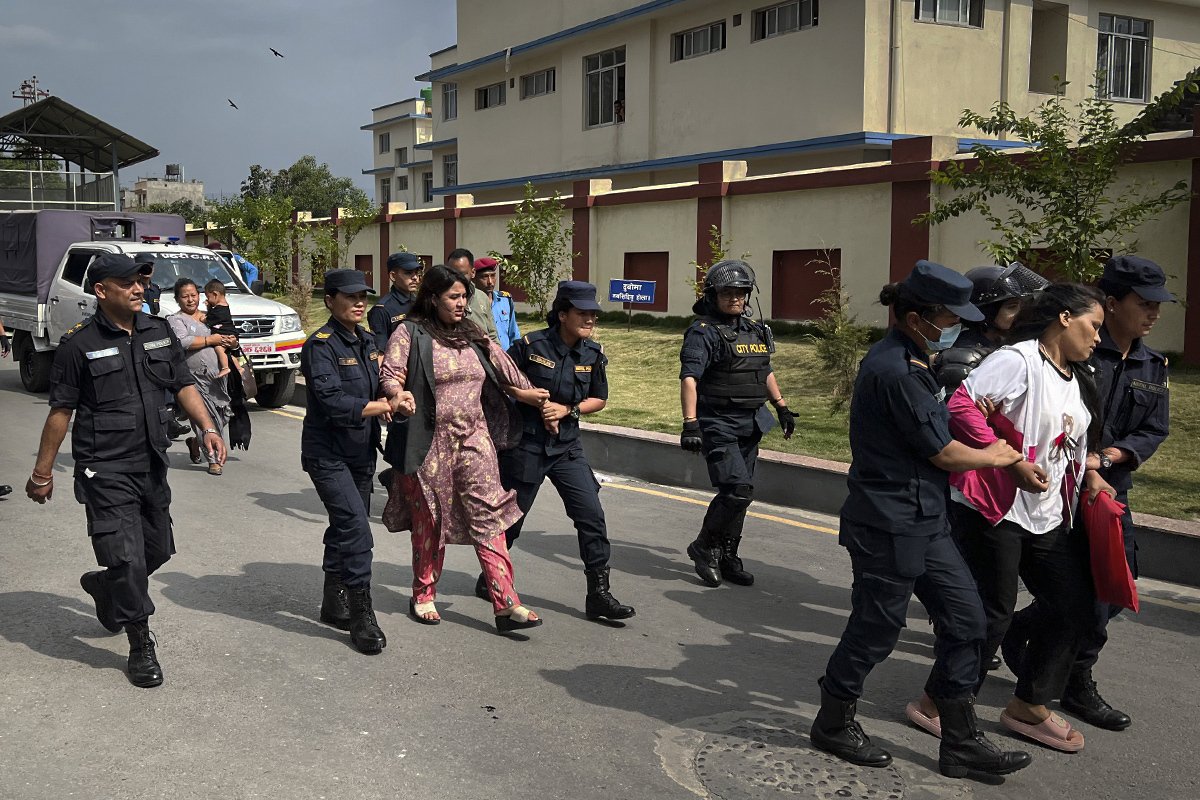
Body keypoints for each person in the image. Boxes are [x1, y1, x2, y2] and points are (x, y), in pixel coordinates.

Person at [812, 260, 1031, 779]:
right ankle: (833, 720)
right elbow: (945, 455)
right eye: (948, 316)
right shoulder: (894, 370)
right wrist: (1001, 456)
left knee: (969, 623)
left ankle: (959, 741)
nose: (955, 324)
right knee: (876, 628)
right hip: (888, 521)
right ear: (916, 317)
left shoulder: (917, 359)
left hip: (926, 518)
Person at [24, 253, 227, 688]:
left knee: (157, 550)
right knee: (127, 557)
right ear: (102, 291)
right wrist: (43, 472)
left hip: (153, 460)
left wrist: (206, 427)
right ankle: (140, 642)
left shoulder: (157, 331)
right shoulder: (77, 345)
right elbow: (61, 410)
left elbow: (183, 384)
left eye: (140, 281)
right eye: (128, 282)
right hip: (105, 467)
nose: (139, 289)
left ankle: (106, 585)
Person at [922, 283, 1109, 754]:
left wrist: (1089, 475)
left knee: (1074, 604)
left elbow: (1071, 441)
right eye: (1093, 326)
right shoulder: (1018, 360)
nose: (1097, 338)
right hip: (996, 508)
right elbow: (961, 405)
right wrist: (1008, 462)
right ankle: (937, 702)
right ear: (1064, 318)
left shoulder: (1077, 375)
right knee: (992, 613)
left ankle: (1028, 705)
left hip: (1048, 514)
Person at [1006, 256, 1173, 732]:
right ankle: (1075, 680)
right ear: (1111, 303)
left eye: (1158, 305)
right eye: (1144, 304)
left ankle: (1032, 629)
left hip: (1107, 492)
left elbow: (1154, 429)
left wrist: (1112, 457)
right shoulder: (1076, 352)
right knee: (1081, 593)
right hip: (1058, 488)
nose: (1154, 314)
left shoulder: (1151, 364)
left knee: (1116, 588)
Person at [379, 264, 549, 633]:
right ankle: (423, 593)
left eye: (464, 297)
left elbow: (504, 368)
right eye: (453, 297)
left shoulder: (472, 334)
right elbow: (391, 373)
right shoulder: (411, 332)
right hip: (429, 443)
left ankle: (507, 603)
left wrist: (530, 394)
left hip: (475, 439)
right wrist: (398, 395)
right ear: (433, 298)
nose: (461, 304)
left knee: (488, 514)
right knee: (431, 520)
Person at [493, 281, 635, 621]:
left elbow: (599, 398)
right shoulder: (531, 345)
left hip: (567, 447)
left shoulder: (593, 353)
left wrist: (567, 410)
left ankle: (599, 594)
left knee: (591, 515)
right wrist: (527, 398)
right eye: (582, 313)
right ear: (562, 314)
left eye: (593, 314)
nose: (589, 320)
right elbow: (501, 378)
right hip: (527, 444)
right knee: (513, 519)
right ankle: (494, 578)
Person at [678, 260, 796, 588]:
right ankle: (705, 546)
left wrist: (782, 407)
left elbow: (764, 370)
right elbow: (690, 378)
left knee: (743, 494)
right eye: (728, 292)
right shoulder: (702, 333)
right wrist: (690, 423)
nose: (735, 298)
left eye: (741, 292)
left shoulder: (755, 330)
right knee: (737, 489)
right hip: (718, 421)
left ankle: (729, 555)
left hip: (751, 421)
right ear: (713, 295)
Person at [301, 269, 393, 655]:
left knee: (343, 527)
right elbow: (333, 402)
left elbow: (383, 381)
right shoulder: (320, 346)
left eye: (364, 297)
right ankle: (361, 612)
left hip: (361, 452)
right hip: (328, 454)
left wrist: (394, 396)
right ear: (330, 300)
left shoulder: (368, 341)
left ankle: (331, 600)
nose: (360, 303)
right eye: (351, 296)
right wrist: (381, 406)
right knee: (357, 528)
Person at [936, 263, 1049, 393]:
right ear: (987, 311)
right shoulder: (964, 357)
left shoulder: (1009, 346)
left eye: (1021, 306)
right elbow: (957, 409)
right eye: (1011, 307)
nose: (1020, 313)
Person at [167, 279, 238, 475]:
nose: (190, 300)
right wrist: (210, 339)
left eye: (193, 295)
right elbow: (182, 342)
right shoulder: (175, 320)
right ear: (178, 299)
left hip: (219, 377)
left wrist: (232, 342)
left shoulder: (211, 316)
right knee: (206, 416)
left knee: (222, 415)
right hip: (194, 378)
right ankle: (214, 459)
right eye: (185, 296)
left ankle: (195, 443)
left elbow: (227, 333)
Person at [368, 251, 423, 356]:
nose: (415, 277)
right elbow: (381, 351)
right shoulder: (382, 310)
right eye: (408, 273)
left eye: (416, 273)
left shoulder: (419, 302)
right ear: (393, 276)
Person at [446, 247, 500, 345]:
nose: (456, 278)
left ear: (473, 273)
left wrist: (497, 356)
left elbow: (492, 334)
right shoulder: (442, 299)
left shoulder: (482, 298)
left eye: (462, 274)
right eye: (452, 273)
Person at [472, 257, 521, 351]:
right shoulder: (470, 303)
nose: (490, 282)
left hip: (506, 356)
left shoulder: (505, 299)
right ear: (474, 279)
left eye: (493, 276)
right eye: (484, 277)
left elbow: (513, 332)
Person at [202, 279, 236, 377]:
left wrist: (203, 318)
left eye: (208, 297)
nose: (208, 300)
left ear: (215, 294)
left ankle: (225, 368)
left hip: (226, 334)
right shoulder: (224, 307)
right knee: (229, 354)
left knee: (219, 349)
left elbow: (209, 320)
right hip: (230, 333)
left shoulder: (219, 310)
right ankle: (239, 368)